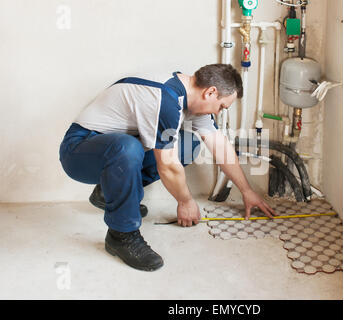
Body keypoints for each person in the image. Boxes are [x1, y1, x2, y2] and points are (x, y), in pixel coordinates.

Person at [59, 63, 277, 272]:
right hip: (79, 151)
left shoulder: (189, 99)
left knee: (187, 145)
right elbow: (167, 165)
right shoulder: (164, 98)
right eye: (221, 106)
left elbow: (220, 146)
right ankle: (121, 235)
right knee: (129, 148)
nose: (219, 112)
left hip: (111, 153)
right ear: (210, 92)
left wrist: (247, 191)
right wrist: (185, 202)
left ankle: (107, 193)